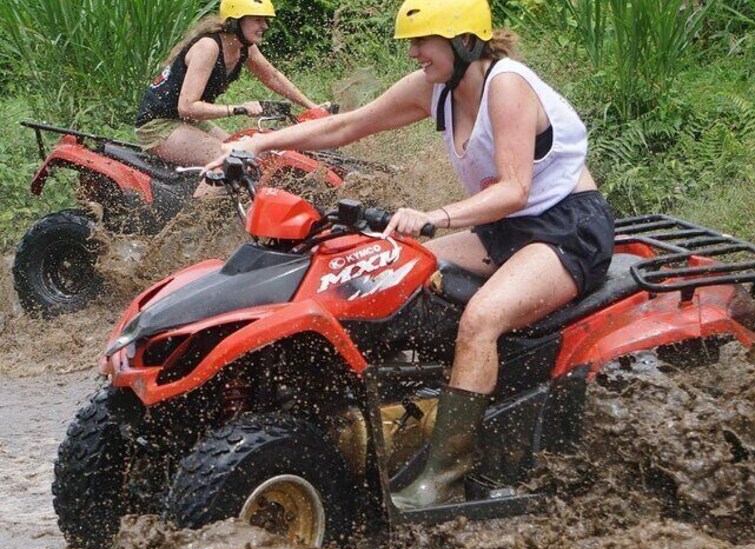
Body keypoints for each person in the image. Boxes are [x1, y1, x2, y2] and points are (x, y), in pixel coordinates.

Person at [206, 0, 615, 509]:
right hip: (501, 229)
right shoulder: (434, 88)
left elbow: (514, 190)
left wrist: (435, 216)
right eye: (412, 43)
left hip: (565, 229)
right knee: (394, 276)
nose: (415, 53)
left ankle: (444, 479)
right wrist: (260, 144)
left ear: (465, 41)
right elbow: (345, 126)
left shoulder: (506, 85)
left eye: (424, 42)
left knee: (482, 319)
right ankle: (402, 417)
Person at [135, 0, 322, 196]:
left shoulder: (244, 47)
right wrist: (236, 108)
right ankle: (190, 222)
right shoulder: (208, 47)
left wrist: (313, 107)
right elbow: (187, 106)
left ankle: (230, 208)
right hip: (158, 126)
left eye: (265, 20)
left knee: (249, 153)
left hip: (190, 122)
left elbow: (272, 76)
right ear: (236, 21)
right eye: (258, 20)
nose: (265, 26)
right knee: (231, 160)